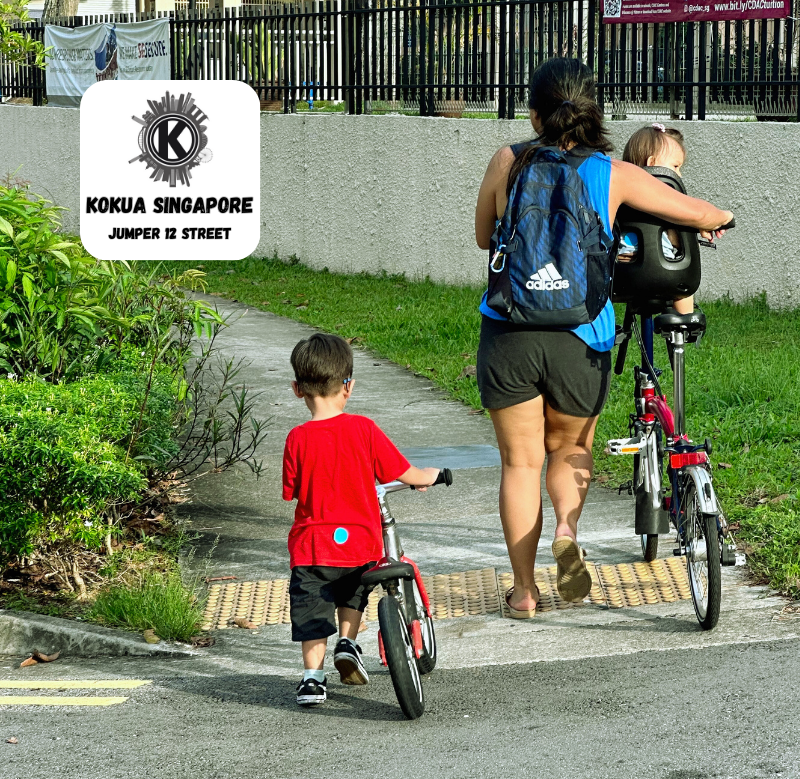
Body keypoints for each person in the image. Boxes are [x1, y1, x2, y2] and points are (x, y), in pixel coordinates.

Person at [474, 58, 732, 618]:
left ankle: (523, 591)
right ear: (594, 111)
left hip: (509, 332)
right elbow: (693, 209)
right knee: (569, 449)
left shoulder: (507, 160)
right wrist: (720, 217)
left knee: (520, 464)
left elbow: (481, 236)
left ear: (535, 112)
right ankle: (567, 528)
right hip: (579, 335)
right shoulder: (611, 172)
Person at [283, 333, 440, 706]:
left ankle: (312, 678)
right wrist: (429, 475)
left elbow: (291, 490)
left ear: (296, 389)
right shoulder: (364, 429)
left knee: (313, 612)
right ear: (348, 387)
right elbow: (404, 472)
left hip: (312, 546)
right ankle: (349, 643)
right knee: (355, 591)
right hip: (359, 540)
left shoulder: (296, 438)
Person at [620, 123, 694, 314]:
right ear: (652, 164)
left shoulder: (619, 189)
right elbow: (677, 239)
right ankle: (682, 324)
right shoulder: (668, 196)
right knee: (682, 284)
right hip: (663, 268)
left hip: (621, 268)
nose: (679, 174)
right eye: (676, 166)